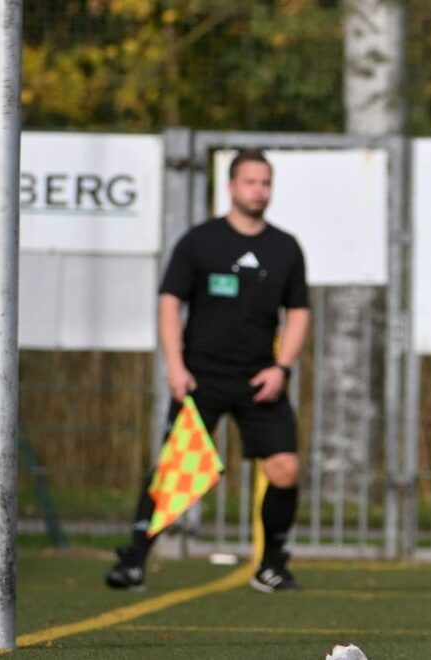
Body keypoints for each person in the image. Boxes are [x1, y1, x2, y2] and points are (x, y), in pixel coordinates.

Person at [106, 149, 311, 593]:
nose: (259, 191)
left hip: (261, 380)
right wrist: (175, 366)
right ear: (231, 187)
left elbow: (297, 313)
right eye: (251, 182)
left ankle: (272, 565)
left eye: (266, 183)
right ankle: (135, 559)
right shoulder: (200, 242)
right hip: (201, 377)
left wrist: (281, 367)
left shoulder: (284, 248)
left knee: (285, 469)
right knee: (175, 469)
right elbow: (169, 303)